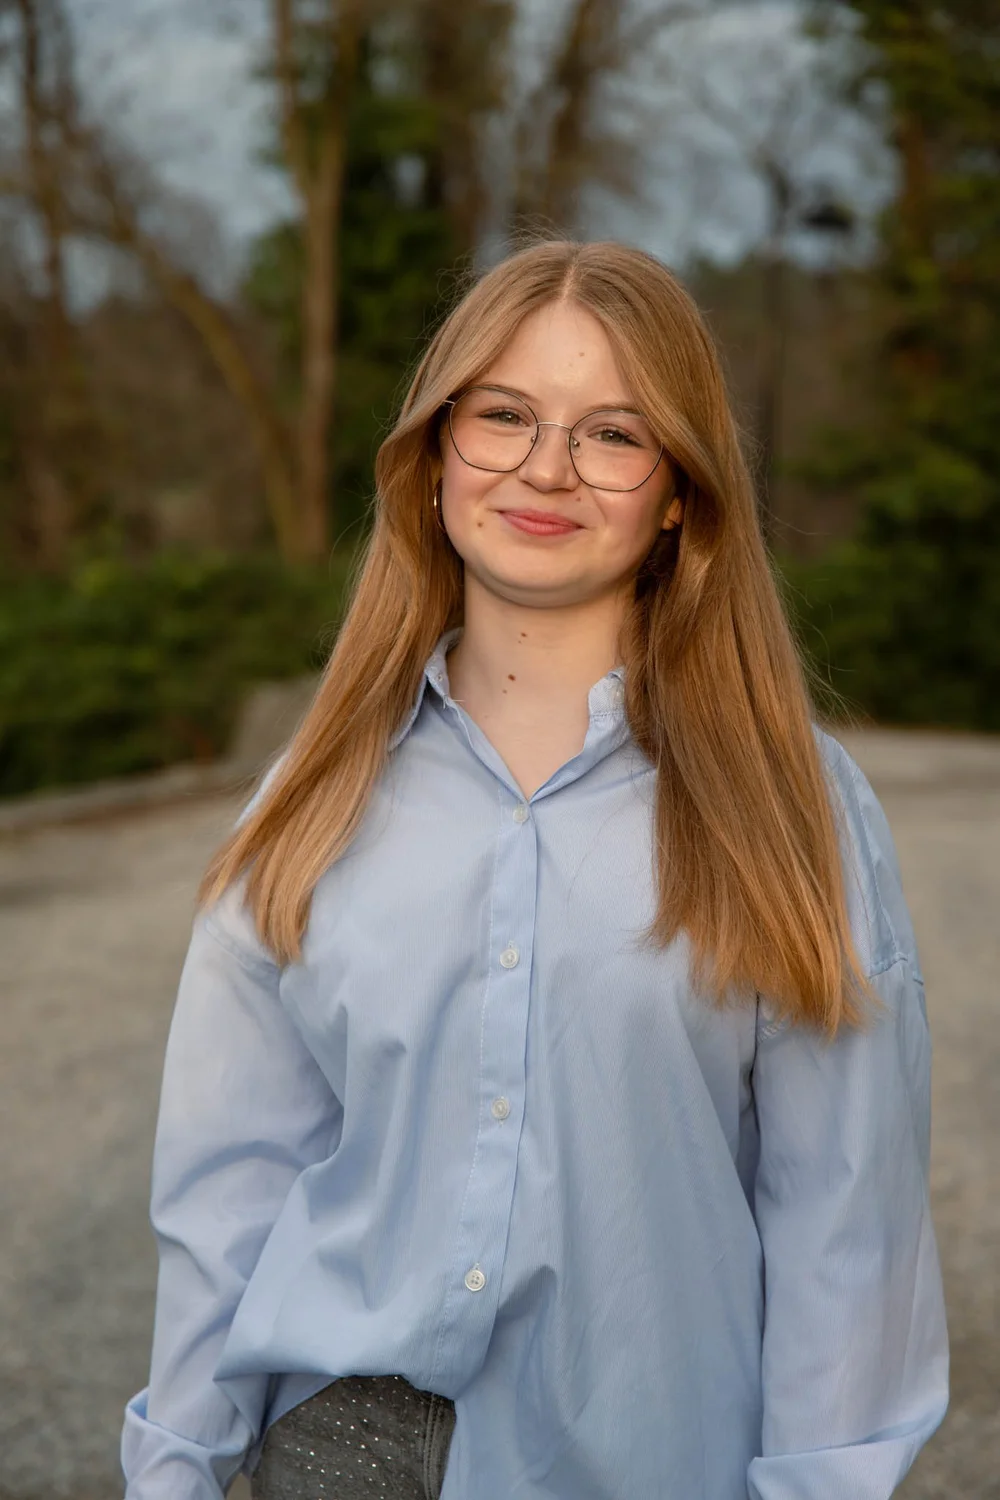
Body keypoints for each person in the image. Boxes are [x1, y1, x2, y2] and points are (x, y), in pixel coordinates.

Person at [121, 239, 948, 1500]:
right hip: (341, 1454)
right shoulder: (311, 795)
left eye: (614, 433)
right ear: (436, 452)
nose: (544, 469)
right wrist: (174, 1470)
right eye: (504, 414)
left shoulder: (794, 808)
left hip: (646, 1461)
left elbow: (846, 1230)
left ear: (679, 492)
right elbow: (227, 1191)